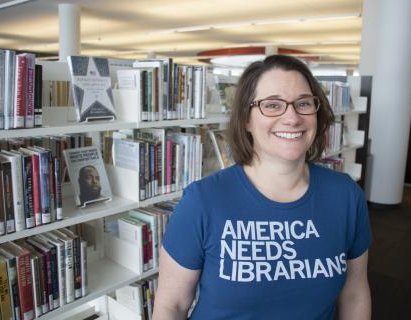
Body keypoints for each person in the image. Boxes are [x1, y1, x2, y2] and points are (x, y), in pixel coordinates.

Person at [153, 55, 372, 320]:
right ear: (246, 119)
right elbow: (171, 306)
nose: (292, 118)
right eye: (272, 105)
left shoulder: (345, 195)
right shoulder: (203, 201)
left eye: (303, 103)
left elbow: (354, 292)